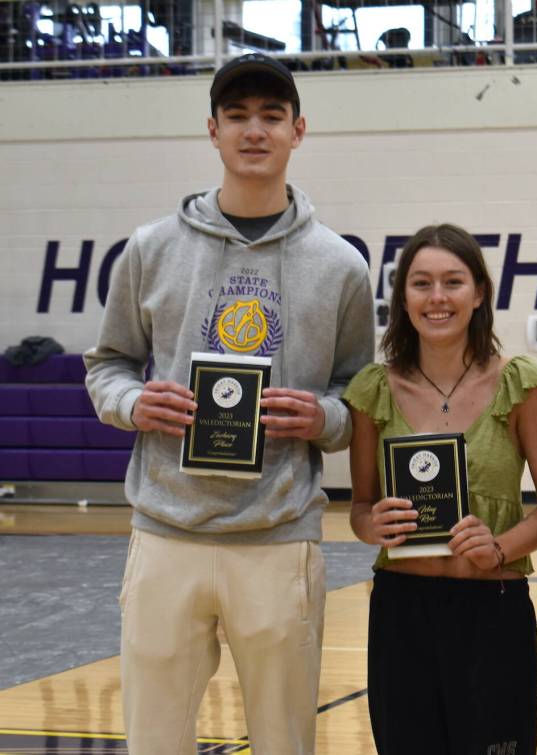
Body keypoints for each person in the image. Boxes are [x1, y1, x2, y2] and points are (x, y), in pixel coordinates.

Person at [84, 53, 374, 754]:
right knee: (155, 740)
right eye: (237, 116)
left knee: (284, 741)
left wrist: (322, 417)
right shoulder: (150, 249)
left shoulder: (341, 265)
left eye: (271, 116)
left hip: (278, 536)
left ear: (297, 131)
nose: (254, 130)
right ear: (211, 130)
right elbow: (108, 366)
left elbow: (361, 394)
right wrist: (134, 403)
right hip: (165, 531)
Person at [343, 223, 537, 755]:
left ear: (479, 292)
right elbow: (360, 507)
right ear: (402, 297)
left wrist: (502, 547)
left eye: (453, 282)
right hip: (401, 611)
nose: (437, 298)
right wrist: (371, 525)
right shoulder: (374, 389)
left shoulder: (522, 383)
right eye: (421, 283)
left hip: (494, 608)